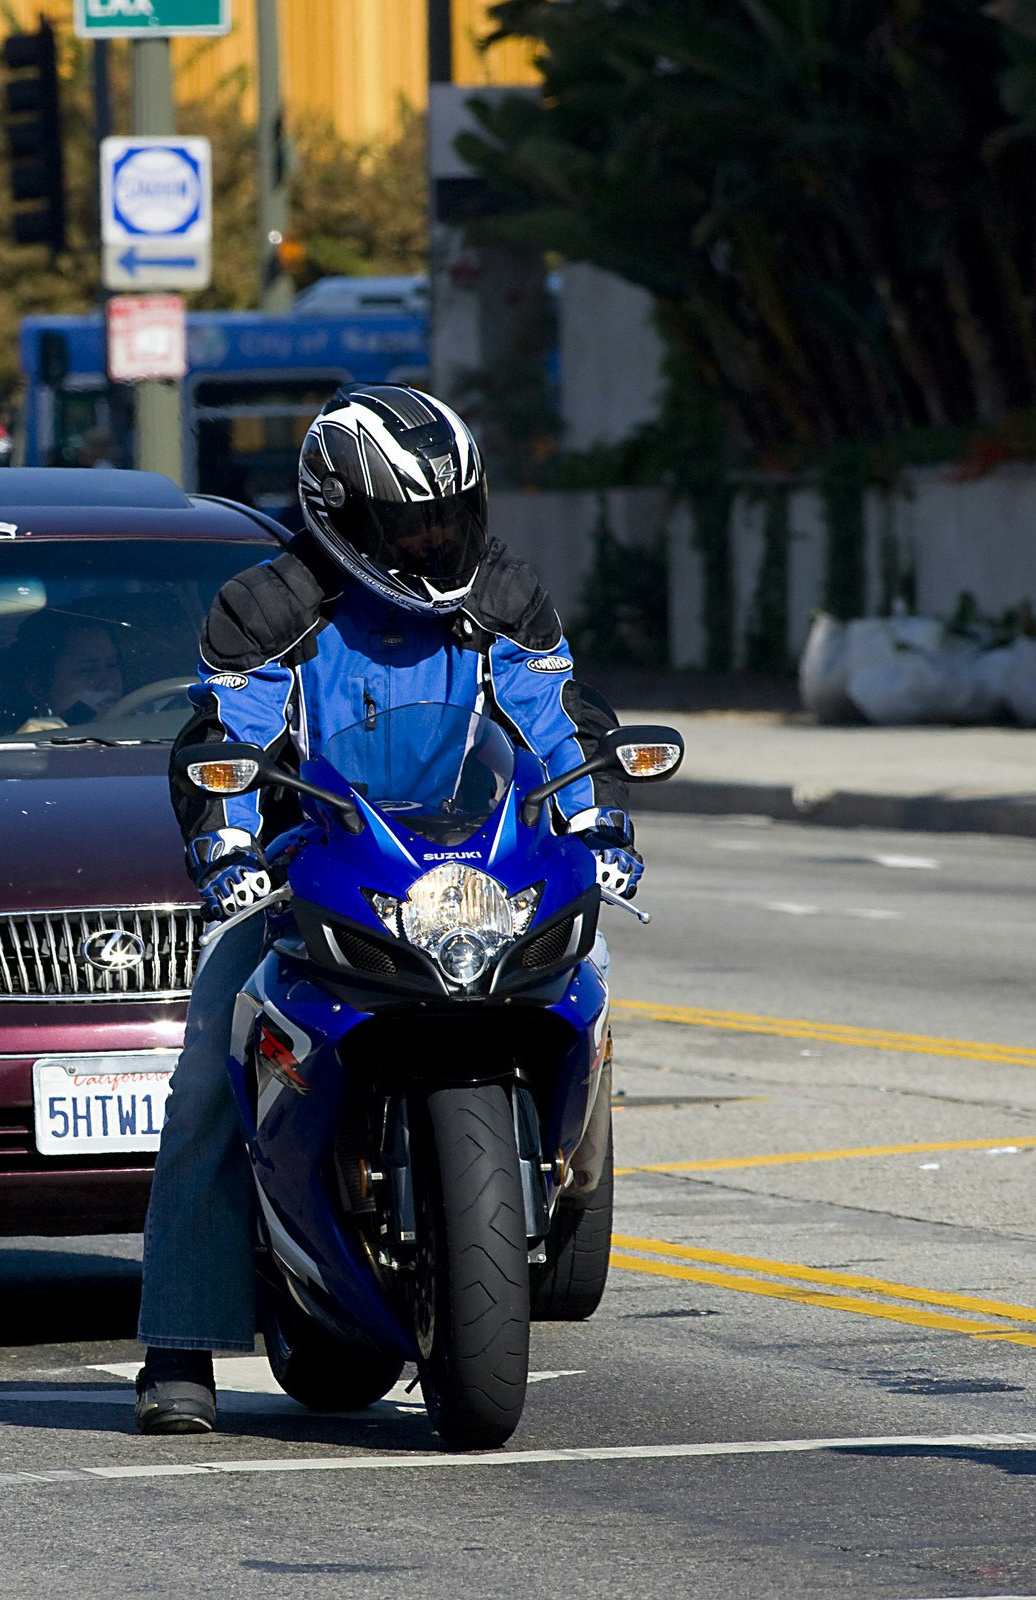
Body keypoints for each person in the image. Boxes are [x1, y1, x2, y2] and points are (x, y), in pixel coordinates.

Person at [133, 384, 643, 1434]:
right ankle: (177, 1344)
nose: (432, 536)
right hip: (306, 870)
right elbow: (220, 741)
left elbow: (559, 720)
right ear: (337, 514)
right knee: (204, 1080)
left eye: (450, 513)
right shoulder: (267, 607)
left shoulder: (501, 596)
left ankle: (566, 1191)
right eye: (408, 520)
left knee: (585, 995)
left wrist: (602, 827)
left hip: (464, 868)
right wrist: (223, 845)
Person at [3, 612, 126, 731]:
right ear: (38, 687)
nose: (109, 681)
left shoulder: (143, 724)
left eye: (112, 664)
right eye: (86, 670)